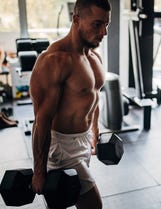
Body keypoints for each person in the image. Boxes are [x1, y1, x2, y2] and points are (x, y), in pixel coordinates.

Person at [29, 0, 111, 208]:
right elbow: (41, 120)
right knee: (93, 206)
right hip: (60, 147)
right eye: (97, 24)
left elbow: (94, 96)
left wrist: (94, 130)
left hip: (83, 141)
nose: (104, 32)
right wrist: (39, 170)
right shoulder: (54, 60)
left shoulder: (94, 56)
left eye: (106, 25)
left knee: (64, 200)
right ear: (76, 19)